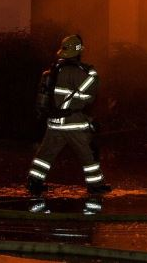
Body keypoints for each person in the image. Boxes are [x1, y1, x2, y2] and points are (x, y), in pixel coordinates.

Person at [27, 34, 111, 196]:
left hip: (54, 122)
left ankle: (34, 181)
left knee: (45, 154)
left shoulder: (52, 71)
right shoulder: (80, 73)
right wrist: (91, 71)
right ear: (78, 52)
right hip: (72, 123)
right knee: (88, 154)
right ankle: (96, 185)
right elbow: (90, 92)